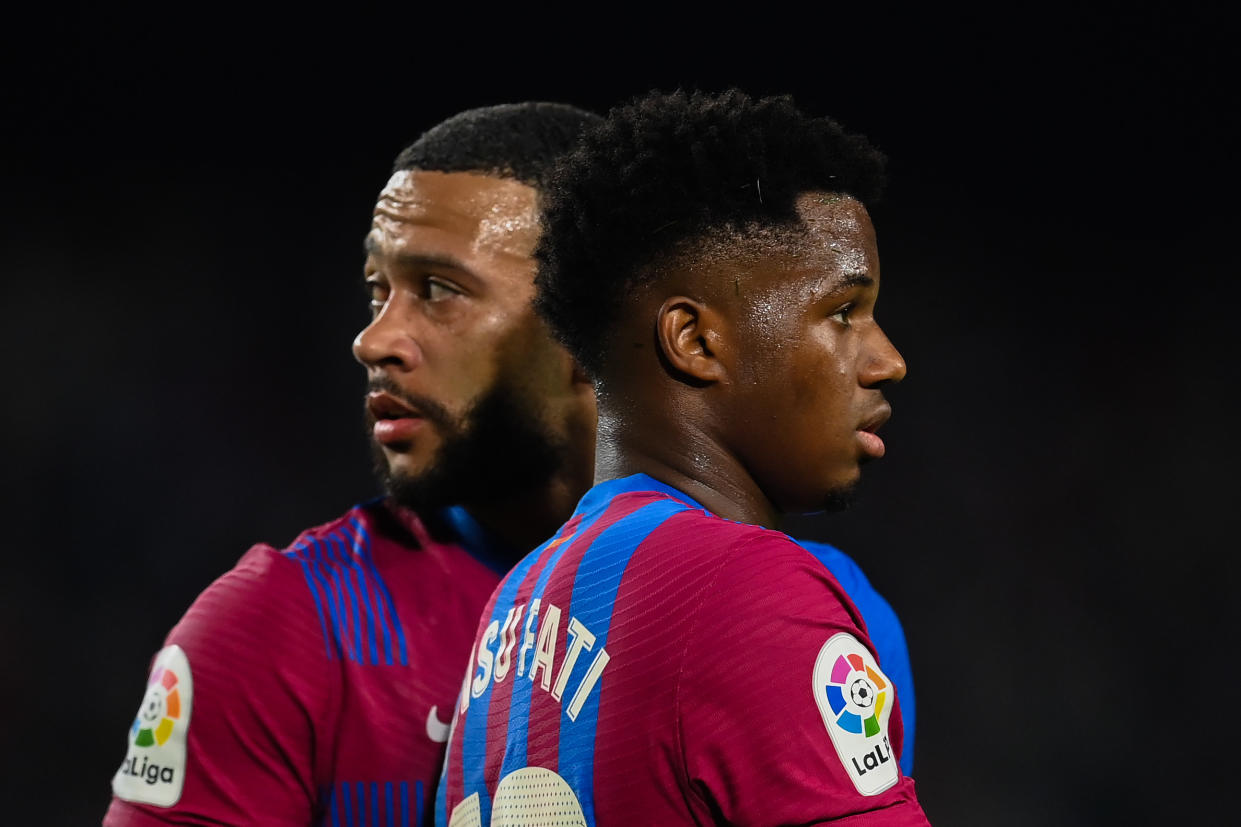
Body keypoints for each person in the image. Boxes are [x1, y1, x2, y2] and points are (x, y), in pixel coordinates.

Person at [438, 90, 930, 825]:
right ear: (696, 341)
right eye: (841, 312)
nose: (887, 359)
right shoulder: (749, 591)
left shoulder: (511, 608)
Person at [104, 102, 599, 826]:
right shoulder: (277, 630)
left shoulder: (768, 606)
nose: (374, 339)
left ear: (590, 324)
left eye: (437, 289)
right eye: (378, 288)